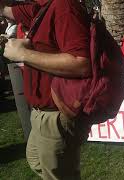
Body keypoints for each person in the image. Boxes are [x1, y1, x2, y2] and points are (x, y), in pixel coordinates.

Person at [0, 0, 91, 179]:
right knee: (36, 159)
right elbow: (9, 10)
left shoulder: (65, 6)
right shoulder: (41, 7)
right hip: (41, 112)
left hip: (56, 114)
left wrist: (23, 54)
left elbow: (82, 63)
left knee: (59, 175)